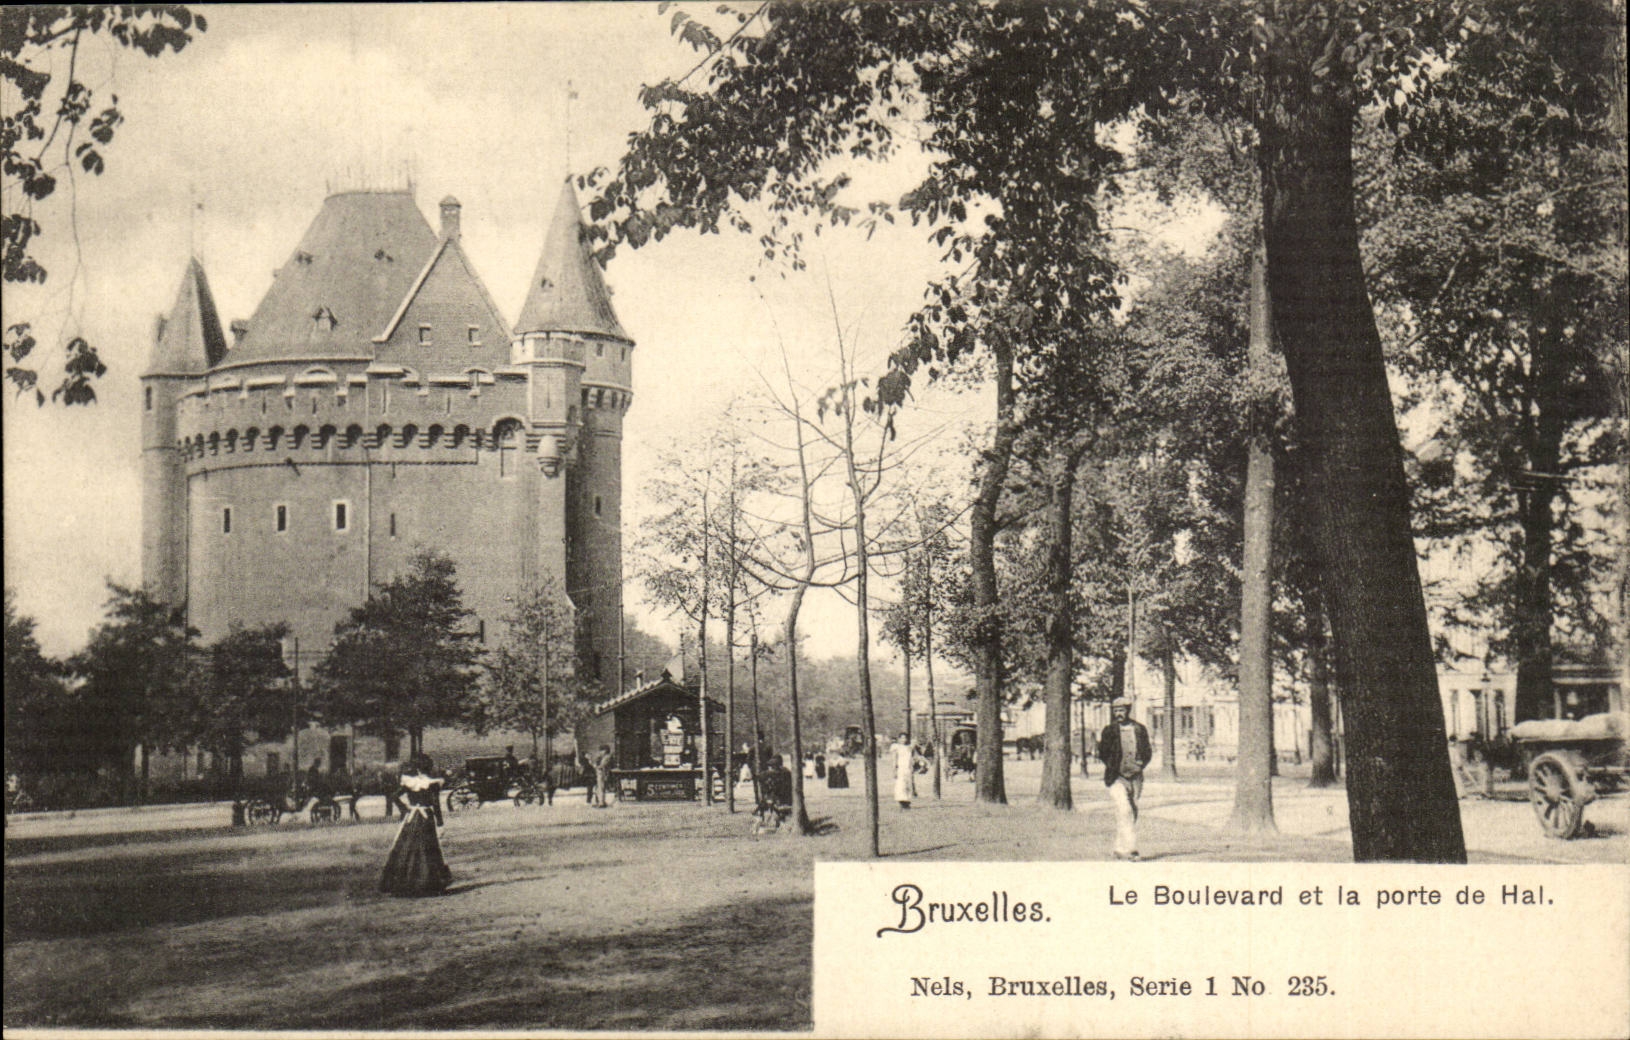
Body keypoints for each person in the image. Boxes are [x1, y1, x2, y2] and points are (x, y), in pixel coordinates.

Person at [379, 755, 452, 897]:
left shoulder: (409, 782)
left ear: (417, 769)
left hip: (412, 818)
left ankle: (404, 882)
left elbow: (394, 796)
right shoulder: (433, 784)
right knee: (428, 848)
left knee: (407, 847)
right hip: (425, 818)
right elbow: (436, 804)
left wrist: (404, 808)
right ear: (428, 769)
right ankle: (428, 883)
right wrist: (440, 823)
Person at [1097, 697, 1152, 861]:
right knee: (1124, 809)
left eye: (1121, 710)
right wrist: (1113, 765)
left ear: (1128, 710)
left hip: (1135, 776)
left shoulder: (1139, 729)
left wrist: (1141, 765)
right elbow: (1102, 753)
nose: (1118, 714)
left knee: (1131, 811)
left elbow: (1147, 751)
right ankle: (1131, 849)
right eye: (1116, 711)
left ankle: (1119, 848)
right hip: (1116, 777)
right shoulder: (1109, 731)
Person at [890, 732, 917, 810]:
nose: (903, 740)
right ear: (899, 739)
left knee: (907, 785)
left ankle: (907, 802)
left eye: (905, 738)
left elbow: (912, 753)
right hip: (900, 768)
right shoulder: (896, 747)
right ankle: (902, 802)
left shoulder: (908, 748)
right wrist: (894, 769)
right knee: (901, 785)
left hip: (907, 768)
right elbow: (894, 759)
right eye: (902, 738)